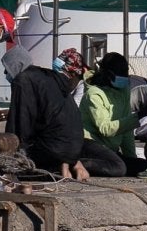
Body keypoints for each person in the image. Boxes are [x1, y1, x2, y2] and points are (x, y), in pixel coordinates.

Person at [9, 48, 88, 178]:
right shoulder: (55, 83)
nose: (6, 73)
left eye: (7, 69)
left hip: (54, 150)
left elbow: (20, 124)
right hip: (73, 150)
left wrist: (11, 153)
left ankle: (58, 167)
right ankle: (65, 164)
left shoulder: (24, 79)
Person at [81, 54, 144, 177]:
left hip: (109, 148)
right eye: (121, 74)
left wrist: (131, 158)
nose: (125, 77)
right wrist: (139, 116)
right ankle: (76, 163)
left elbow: (126, 130)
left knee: (141, 166)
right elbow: (105, 129)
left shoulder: (123, 91)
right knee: (119, 168)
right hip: (90, 144)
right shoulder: (94, 94)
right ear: (109, 75)